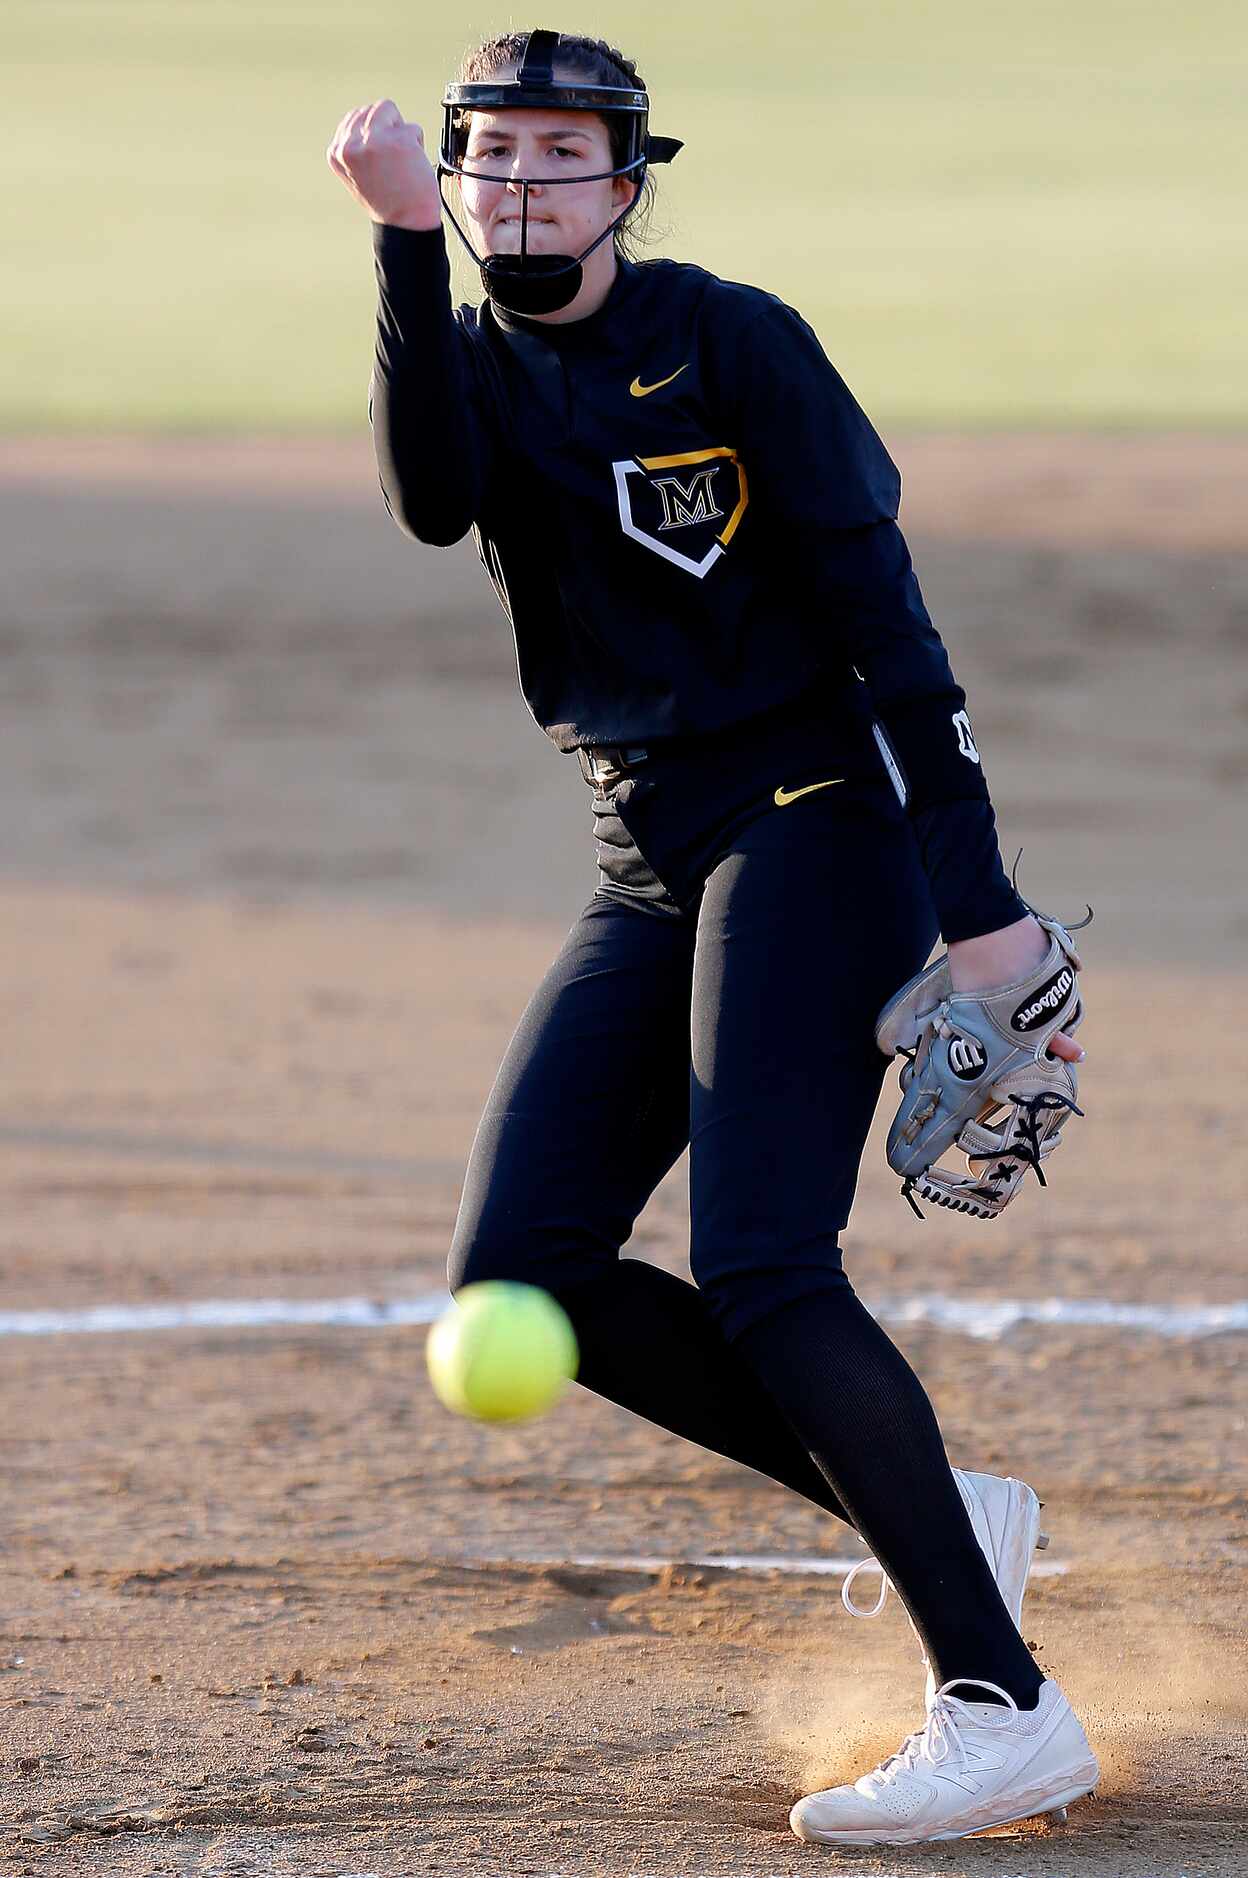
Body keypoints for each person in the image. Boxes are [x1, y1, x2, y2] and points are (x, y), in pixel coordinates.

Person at [327, 29, 1100, 1845]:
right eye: (489, 152)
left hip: (822, 824)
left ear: (628, 179)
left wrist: (979, 913)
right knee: (521, 1275)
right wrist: (391, 251)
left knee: (765, 1261)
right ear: (450, 174)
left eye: (559, 153)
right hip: (648, 852)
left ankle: (1006, 1704)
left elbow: (891, 631)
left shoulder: (737, 337)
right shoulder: (464, 359)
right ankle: (932, 1498)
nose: (522, 181)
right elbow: (434, 499)